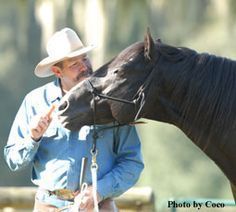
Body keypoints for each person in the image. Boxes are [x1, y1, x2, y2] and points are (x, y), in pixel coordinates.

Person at [4, 27, 144, 211]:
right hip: (48, 206)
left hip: (99, 206)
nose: (85, 67)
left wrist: (99, 191)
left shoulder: (112, 102)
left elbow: (132, 162)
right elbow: (13, 160)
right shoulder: (34, 102)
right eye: (74, 64)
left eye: (84, 58)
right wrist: (33, 138)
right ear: (57, 71)